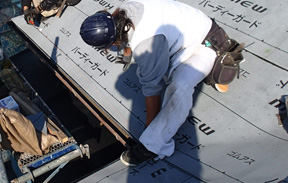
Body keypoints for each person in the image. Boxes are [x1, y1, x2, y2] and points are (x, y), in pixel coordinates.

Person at [79, 0, 244, 166]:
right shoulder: (124, 10)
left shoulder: (145, 43)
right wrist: (127, 53)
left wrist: (150, 129)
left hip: (207, 42)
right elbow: (125, 35)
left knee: (179, 86)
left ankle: (154, 146)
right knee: (153, 68)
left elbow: (152, 89)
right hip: (187, 34)